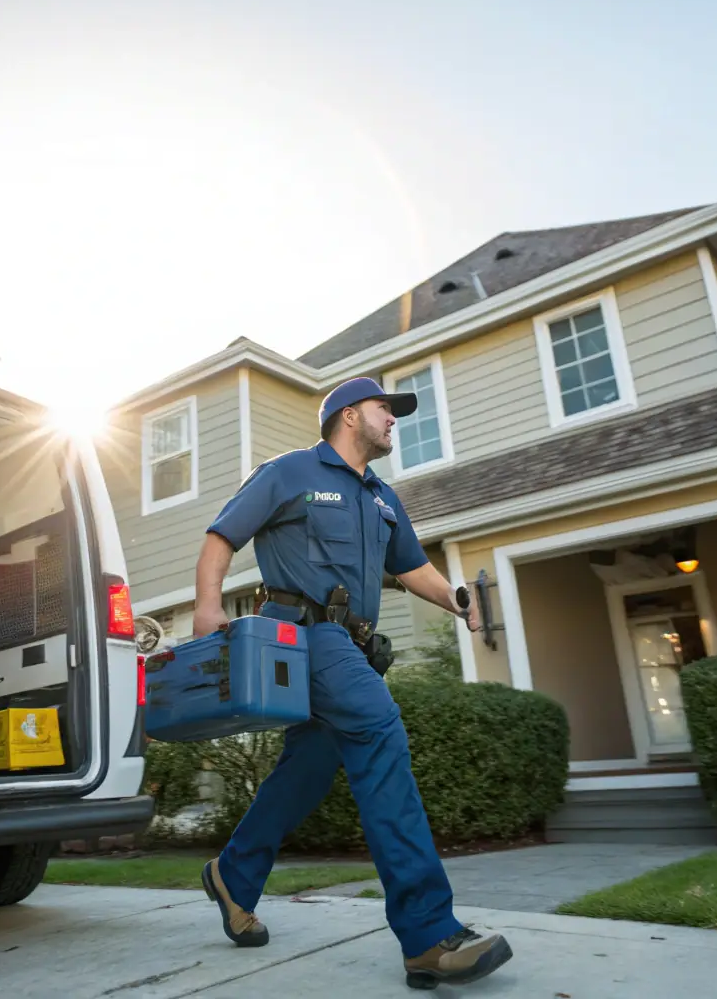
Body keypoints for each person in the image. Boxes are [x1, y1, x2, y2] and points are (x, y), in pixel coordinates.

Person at [192, 376, 514, 990]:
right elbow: (221, 536)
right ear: (347, 415)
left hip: (352, 649)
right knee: (380, 732)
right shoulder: (288, 472)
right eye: (383, 409)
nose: (393, 419)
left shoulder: (381, 498)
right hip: (303, 635)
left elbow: (412, 567)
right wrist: (209, 608)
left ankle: (234, 874)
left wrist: (457, 599)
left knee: (308, 768)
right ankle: (428, 935)